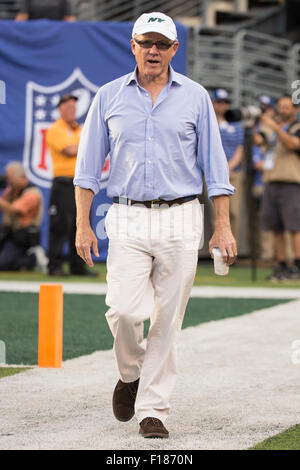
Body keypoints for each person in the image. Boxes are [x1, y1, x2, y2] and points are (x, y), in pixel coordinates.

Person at [74, 12, 237, 438]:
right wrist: (82, 224)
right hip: (125, 215)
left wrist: (223, 226)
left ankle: (154, 411)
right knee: (124, 310)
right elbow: (87, 169)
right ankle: (131, 373)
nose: (153, 50)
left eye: (162, 44)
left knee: (167, 319)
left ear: (174, 50)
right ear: (133, 46)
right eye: (146, 42)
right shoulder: (108, 96)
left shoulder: (196, 97)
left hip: (183, 216)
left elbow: (216, 168)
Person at [46, 94, 96, 276]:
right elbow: (70, 150)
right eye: (67, 107)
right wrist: (87, 143)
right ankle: (55, 265)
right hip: (63, 183)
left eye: (74, 108)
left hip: (81, 184)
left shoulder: (78, 130)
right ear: (60, 109)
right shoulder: (56, 129)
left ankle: (78, 266)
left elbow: (89, 148)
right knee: (60, 225)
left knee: (80, 225)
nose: (71, 111)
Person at [254, 95, 300, 281]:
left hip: (291, 182)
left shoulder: (296, 127)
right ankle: (281, 265)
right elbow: (259, 142)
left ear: (295, 110)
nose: (282, 110)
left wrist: (274, 126)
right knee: (276, 227)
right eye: (280, 107)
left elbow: (292, 144)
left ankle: (297, 266)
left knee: (295, 226)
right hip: (271, 182)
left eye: (287, 107)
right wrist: (253, 124)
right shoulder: (273, 131)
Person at [211, 89, 244, 242]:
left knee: (235, 213)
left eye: (225, 103)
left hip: (233, 172)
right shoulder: (207, 123)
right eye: (218, 102)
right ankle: (217, 247)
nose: (221, 106)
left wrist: (228, 168)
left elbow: (240, 148)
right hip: (212, 174)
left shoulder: (236, 125)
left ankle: (232, 247)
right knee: (215, 213)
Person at [0, 161, 44, 271]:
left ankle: (31, 258)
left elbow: (14, 210)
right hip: (8, 234)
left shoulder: (32, 193)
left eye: (10, 178)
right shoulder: (11, 190)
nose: (8, 181)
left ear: (21, 177)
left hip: (22, 238)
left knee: (3, 264)